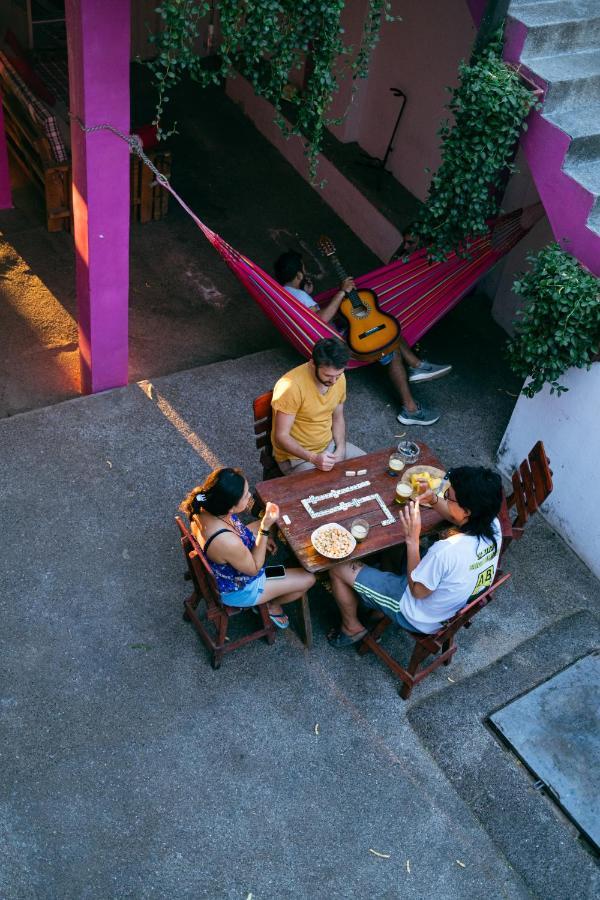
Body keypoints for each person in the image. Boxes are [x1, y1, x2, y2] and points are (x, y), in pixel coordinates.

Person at [326, 466, 503, 646]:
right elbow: (455, 515)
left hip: (417, 613)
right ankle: (379, 603)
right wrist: (434, 499)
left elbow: (417, 592)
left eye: (448, 497)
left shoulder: (446, 551)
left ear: (467, 511)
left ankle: (352, 628)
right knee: (395, 544)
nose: (445, 499)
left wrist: (412, 540)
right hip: (446, 602)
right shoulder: (492, 524)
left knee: (337, 567)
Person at [274, 250, 451, 426]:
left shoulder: (285, 293)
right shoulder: (300, 295)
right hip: (334, 345)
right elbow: (319, 320)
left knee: (388, 328)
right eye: (304, 269)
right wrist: (342, 292)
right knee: (391, 347)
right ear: (299, 274)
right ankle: (411, 407)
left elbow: (309, 319)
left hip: (327, 337)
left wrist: (310, 294)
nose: (306, 272)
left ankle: (416, 366)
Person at [181, 467, 315, 629]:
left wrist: (262, 536)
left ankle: (276, 583)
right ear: (230, 508)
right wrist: (264, 530)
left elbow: (238, 531)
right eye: (245, 495)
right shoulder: (225, 541)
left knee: (275, 523)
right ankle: (270, 606)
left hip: (228, 562)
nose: (250, 495)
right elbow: (253, 569)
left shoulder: (203, 504)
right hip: (241, 588)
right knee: (309, 579)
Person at [271, 337, 365, 474]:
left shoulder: (339, 379)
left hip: (329, 446)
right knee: (326, 490)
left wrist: (341, 448)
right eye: (328, 375)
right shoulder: (291, 387)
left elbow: (338, 417)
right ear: (312, 364)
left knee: (370, 466)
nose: (333, 381)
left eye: (338, 375)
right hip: (298, 457)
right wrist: (313, 458)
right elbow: (281, 436)